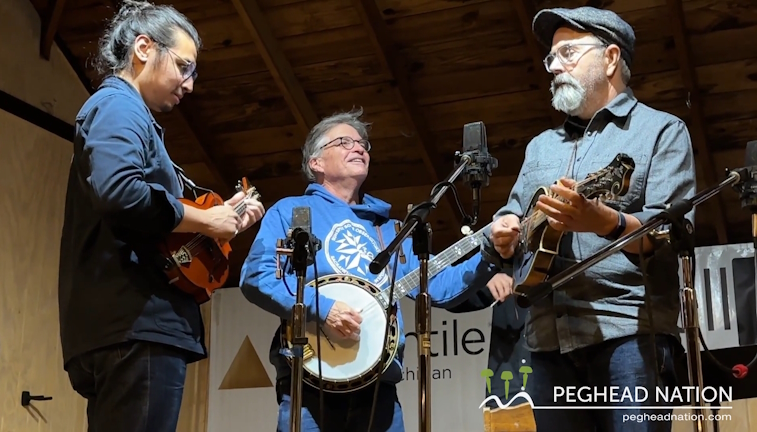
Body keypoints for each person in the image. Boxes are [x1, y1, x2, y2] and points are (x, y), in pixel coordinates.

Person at [481, 6, 695, 432]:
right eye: (552, 57)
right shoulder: (541, 146)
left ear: (611, 58)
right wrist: (503, 232)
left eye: (569, 53)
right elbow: (513, 217)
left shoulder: (662, 131)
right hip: (546, 339)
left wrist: (603, 221)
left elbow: (670, 234)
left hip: (629, 332)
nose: (555, 66)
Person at [57, 1, 264, 431]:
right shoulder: (118, 106)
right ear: (145, 47)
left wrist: (221, 224)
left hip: (126, 325)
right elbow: (121, 193)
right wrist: (206, 221)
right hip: (135, 323)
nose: (189, 85)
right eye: (184, 67)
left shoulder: (126, 112)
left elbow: (146, 222)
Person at [240, 108, 499, 432]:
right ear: (315, 163)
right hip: (307, 387)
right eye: (345, 142)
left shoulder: (388, 230)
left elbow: (439, 285)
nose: (359, 147)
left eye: (363, 143)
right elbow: (257, 276)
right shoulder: (291, 212)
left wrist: (491, 251)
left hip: (379, 389)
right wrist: (325, 309)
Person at [446, 271, 532, 408]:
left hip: (558, 392)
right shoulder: (503, 270)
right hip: (506, 396)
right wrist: (482, 277)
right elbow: (449, 298)